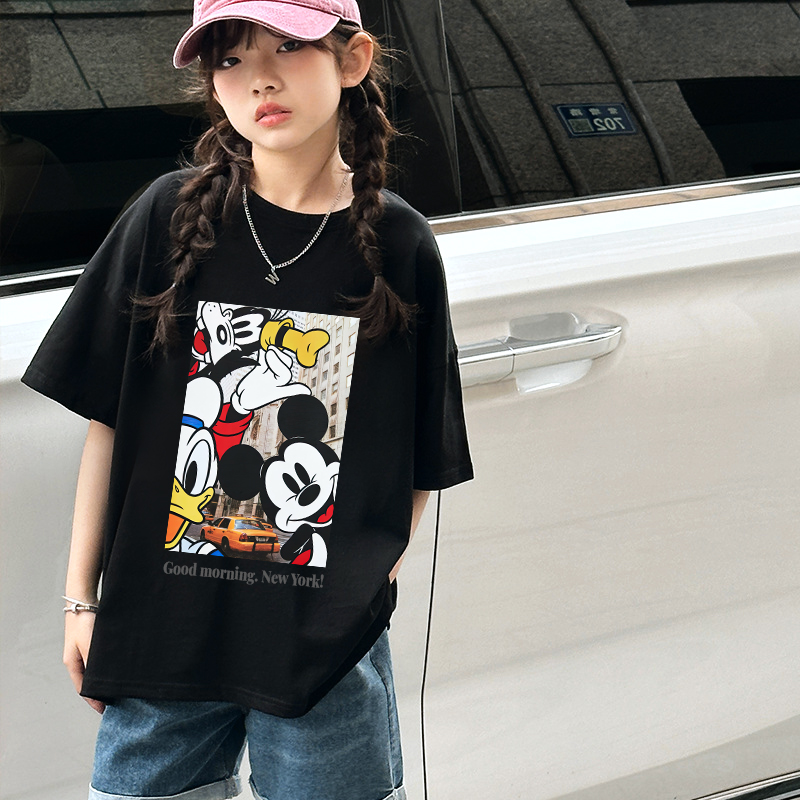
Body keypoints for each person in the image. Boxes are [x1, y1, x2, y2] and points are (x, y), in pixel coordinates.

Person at [21, 1, 473, 798]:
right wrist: (79, 601)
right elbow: (109, 424)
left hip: (320, 658)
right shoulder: (167, 216)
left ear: (353, 59)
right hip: (162, 639)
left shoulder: (399, 245)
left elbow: (419, 459)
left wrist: (353, 599)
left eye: (289, 46)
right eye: (229, 59)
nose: (259, 78)